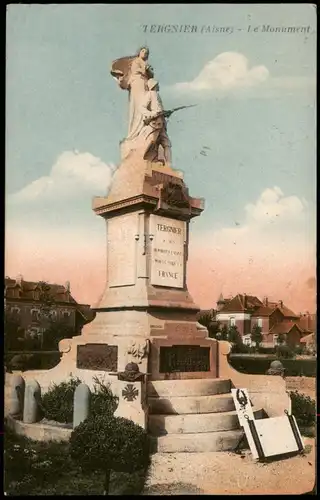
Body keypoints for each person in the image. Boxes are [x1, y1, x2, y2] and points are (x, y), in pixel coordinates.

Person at [138, 78, 172, 165]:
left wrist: (166, 113)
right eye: (157, 84)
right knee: (151, 141)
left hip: (161, 122)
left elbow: (159, 109)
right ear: (154, 85)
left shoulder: (157, 95)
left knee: (167, 144)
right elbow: (142, 108)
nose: (158, 86)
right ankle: (140, 159)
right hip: (155, 123)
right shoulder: (150, 94)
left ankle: (168, 165)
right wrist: (151, 114)